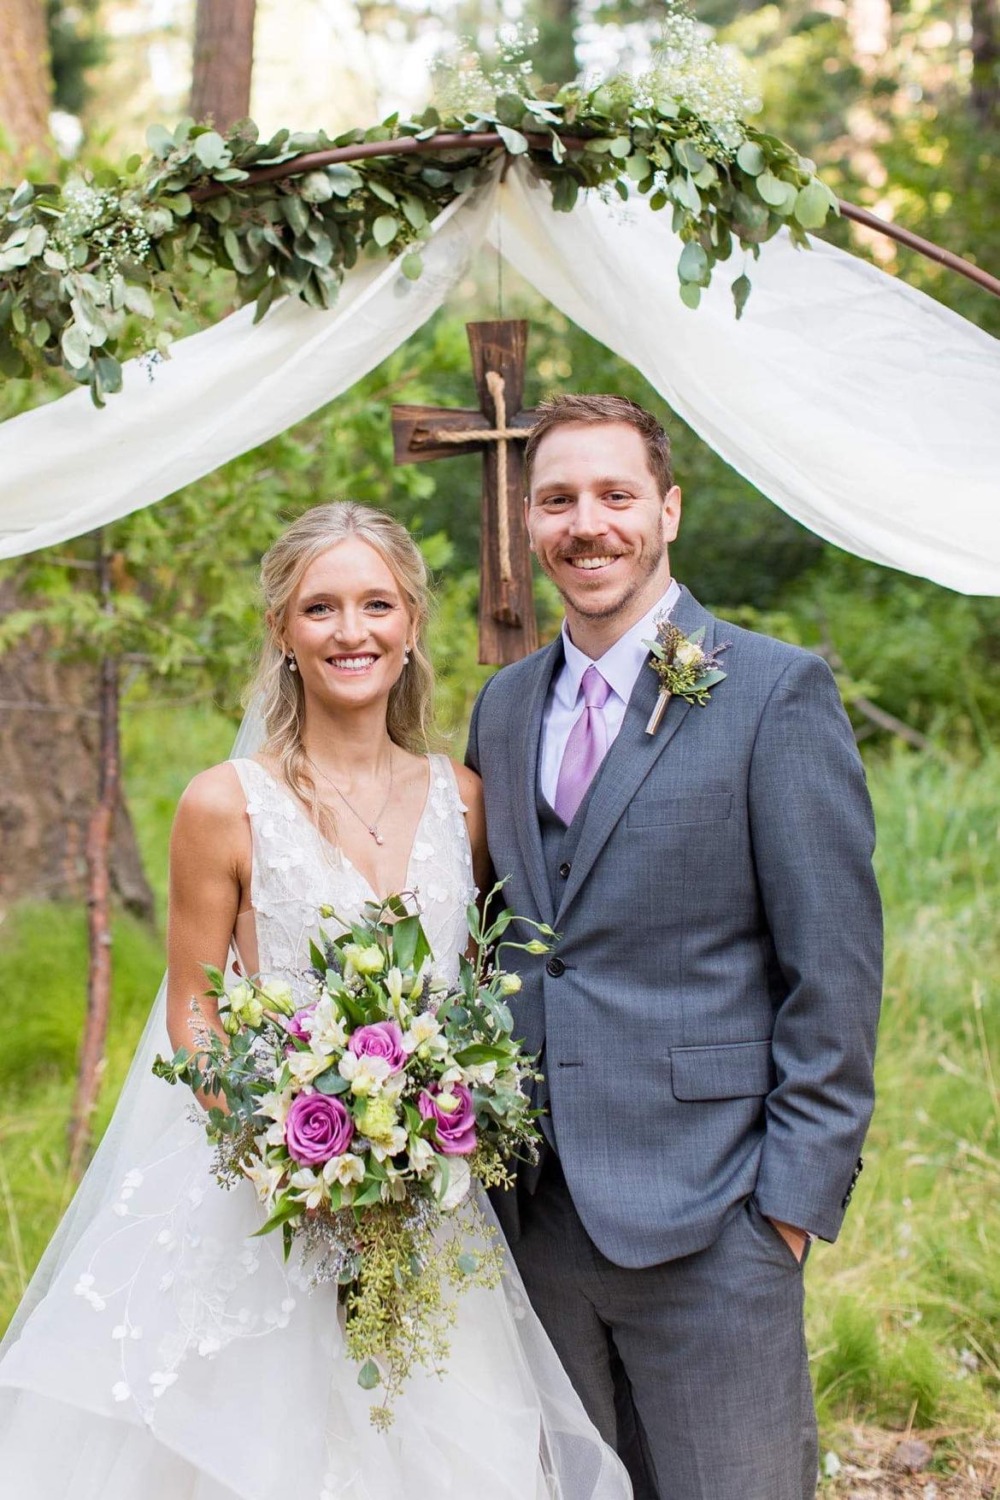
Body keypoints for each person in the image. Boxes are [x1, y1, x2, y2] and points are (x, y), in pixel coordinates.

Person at [0, 502, 630, 1500]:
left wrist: (429, 1130)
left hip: (425, 1207)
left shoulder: (466, 801)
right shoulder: (224, 803)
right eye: (320, 608)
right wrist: (277, 1149)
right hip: (266, 1200)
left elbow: (471, 999)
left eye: (376, 604)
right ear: (283, 633)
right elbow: (194, 1009)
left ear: (411, 623)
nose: (351, 631)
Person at [466, 395, 883, 1500]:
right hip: (537, 1217)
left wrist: (785, 1212)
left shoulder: (772, 692)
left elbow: (834, 975)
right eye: (557, 500)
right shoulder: (502, 708)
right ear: (528, 521)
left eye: (615, 494)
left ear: (669, 510)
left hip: (715, 1219)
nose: (586, 524)